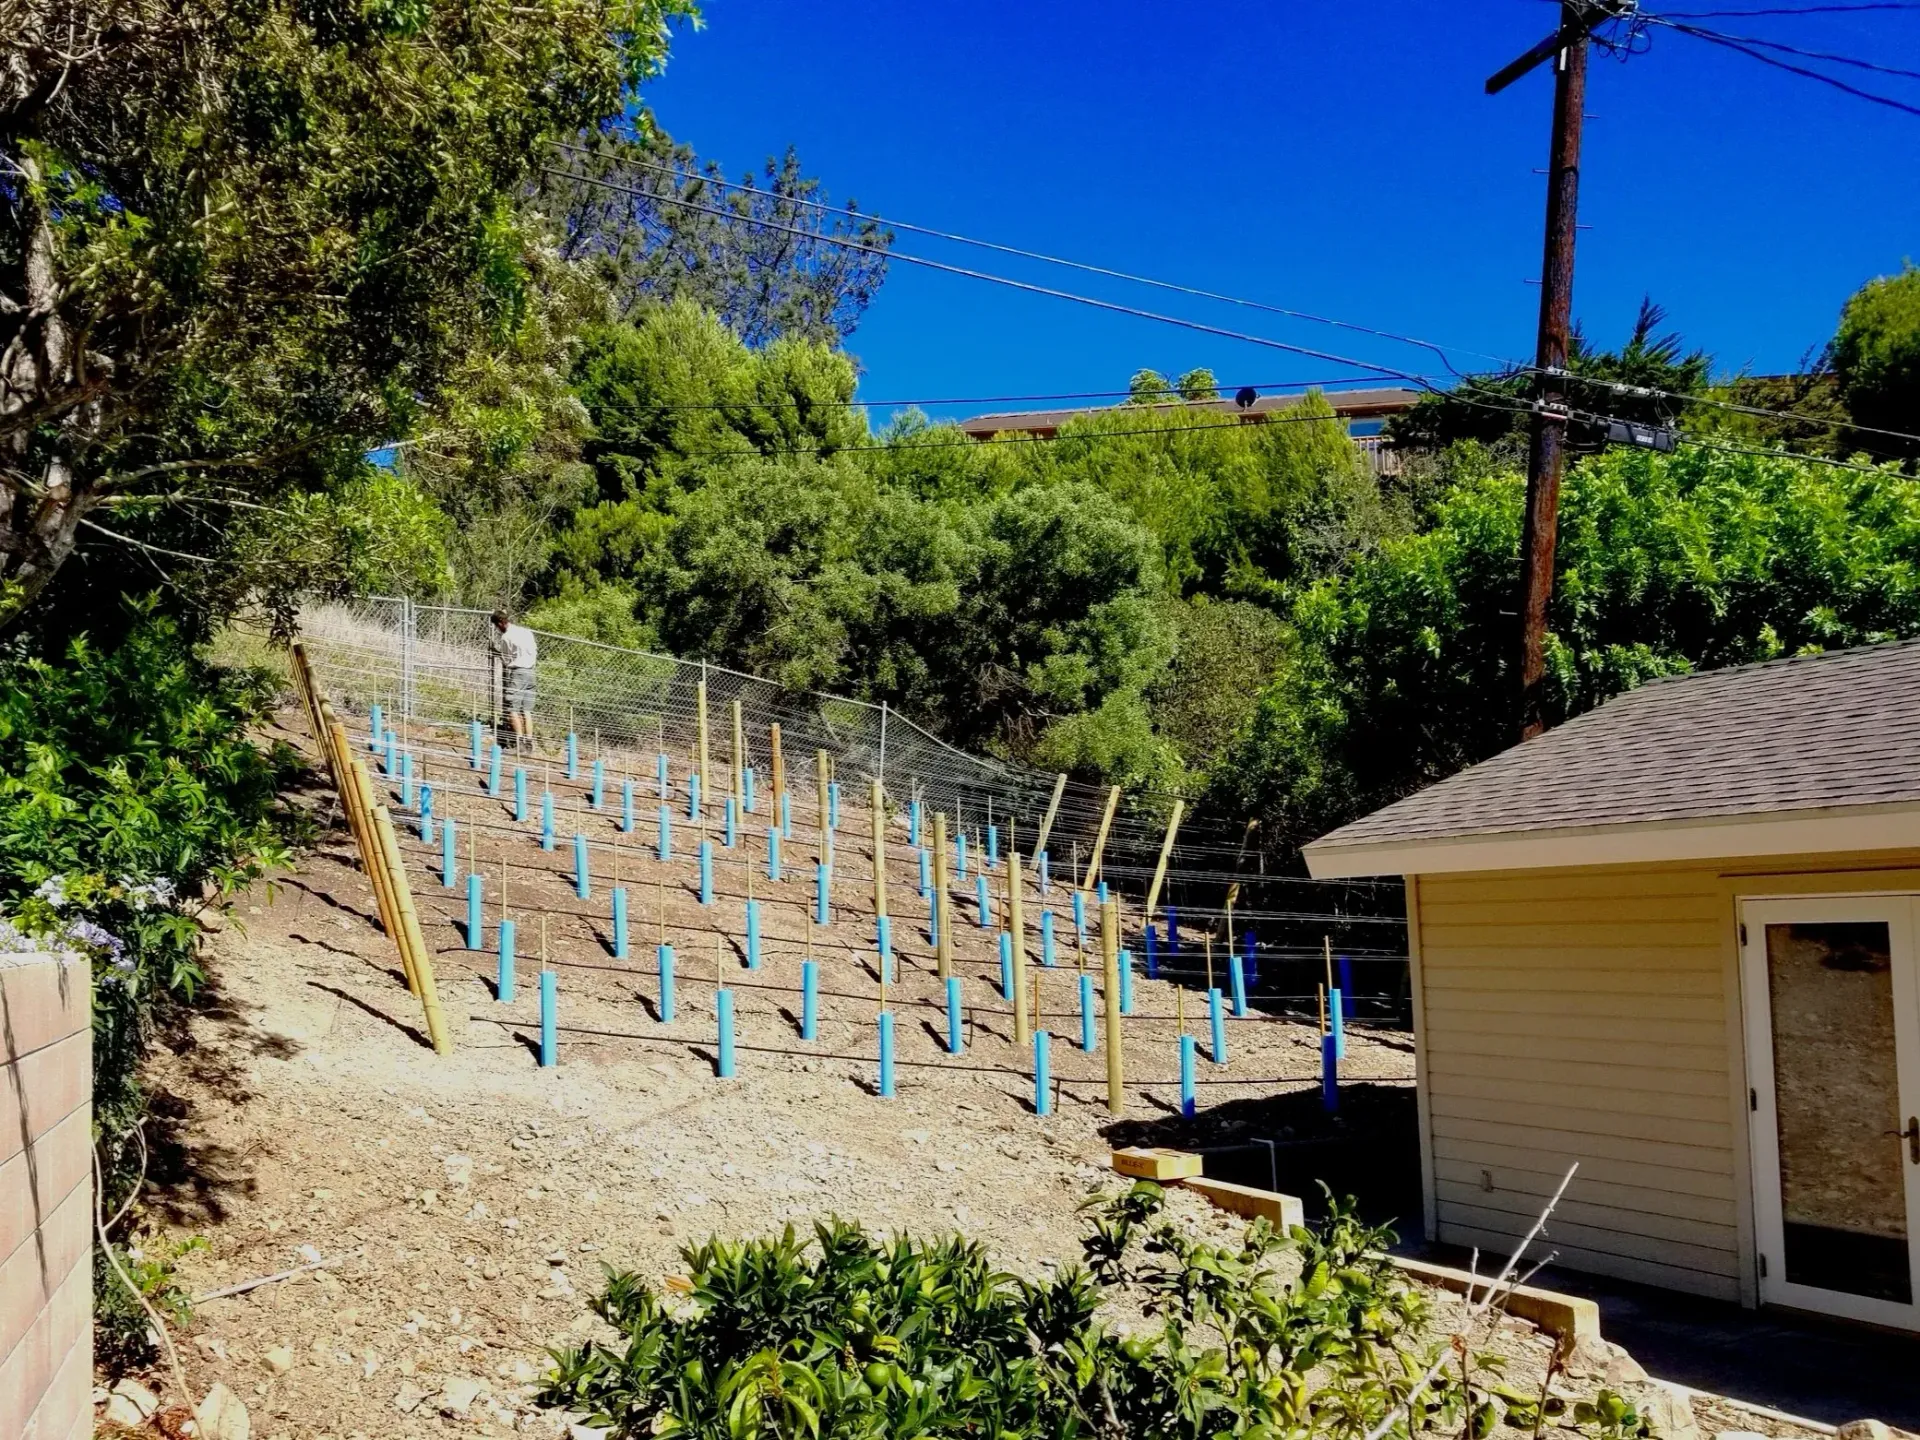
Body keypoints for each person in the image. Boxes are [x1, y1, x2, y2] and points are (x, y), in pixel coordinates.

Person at [489, 610, 538, 747]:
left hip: (518, 673)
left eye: (496, 627)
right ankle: (529, 742)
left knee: (512, 709)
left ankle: (519, 742)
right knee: (527, 710)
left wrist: (496, 652)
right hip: (531, 672)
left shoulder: (506, 637)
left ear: (500, 623)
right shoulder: (526, 632)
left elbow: (506, 659)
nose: (497, 630)